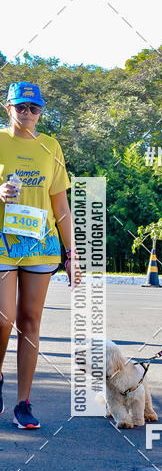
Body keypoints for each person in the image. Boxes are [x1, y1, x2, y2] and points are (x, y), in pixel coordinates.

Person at [0, 82, 79, 428]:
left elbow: (60, 202)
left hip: (40, 243)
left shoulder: (50, 147)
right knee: (3, 319)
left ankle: (24, 403)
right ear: (8, 109)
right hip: (3, 243)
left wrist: (71, 251)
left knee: (30, 321)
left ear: (41, 112)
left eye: (34, 109)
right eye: (21, 107)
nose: (27, 114)